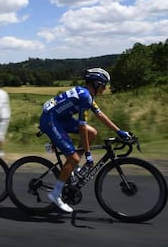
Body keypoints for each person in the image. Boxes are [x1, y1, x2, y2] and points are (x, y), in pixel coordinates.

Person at [39, 68, 131, 213]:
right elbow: (82, 129)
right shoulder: (84, 96)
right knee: (74, 157)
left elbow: (100, 115)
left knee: (92, 132)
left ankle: (73, 168)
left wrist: (119, 131)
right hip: (51, 120)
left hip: (61, 118)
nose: (105, 89)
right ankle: (55, 194)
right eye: (103, 85)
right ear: (96, 83)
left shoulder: (86, 94)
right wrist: (88, 155)